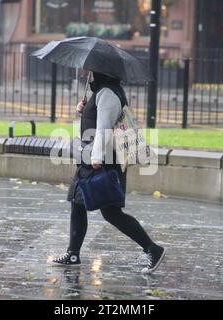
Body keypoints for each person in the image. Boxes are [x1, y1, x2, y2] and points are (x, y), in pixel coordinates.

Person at [49, 71, 166, 274]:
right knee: (77, 202)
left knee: (111, 212)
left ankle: (153, 249)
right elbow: (98, 121)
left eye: (92, 72)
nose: (89, 75)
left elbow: (103, 129)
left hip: (103, 161)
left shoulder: (108, 94)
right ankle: (73, 253)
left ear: (101, 72)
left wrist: (96, 157)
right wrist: (84, 111)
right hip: (92, 157)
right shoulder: (102, 92)